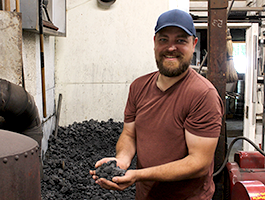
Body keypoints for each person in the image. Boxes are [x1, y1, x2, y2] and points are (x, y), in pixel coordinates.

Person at [90, 9, 224, 200]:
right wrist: (121, 160)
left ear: (193, 44)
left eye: (180, 40)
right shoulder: (138, 87)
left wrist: (137, 175)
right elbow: (129, 134)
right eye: (164, 40)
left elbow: (199, 163)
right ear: (154, 42)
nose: (171, 48)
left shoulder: (203, 95)